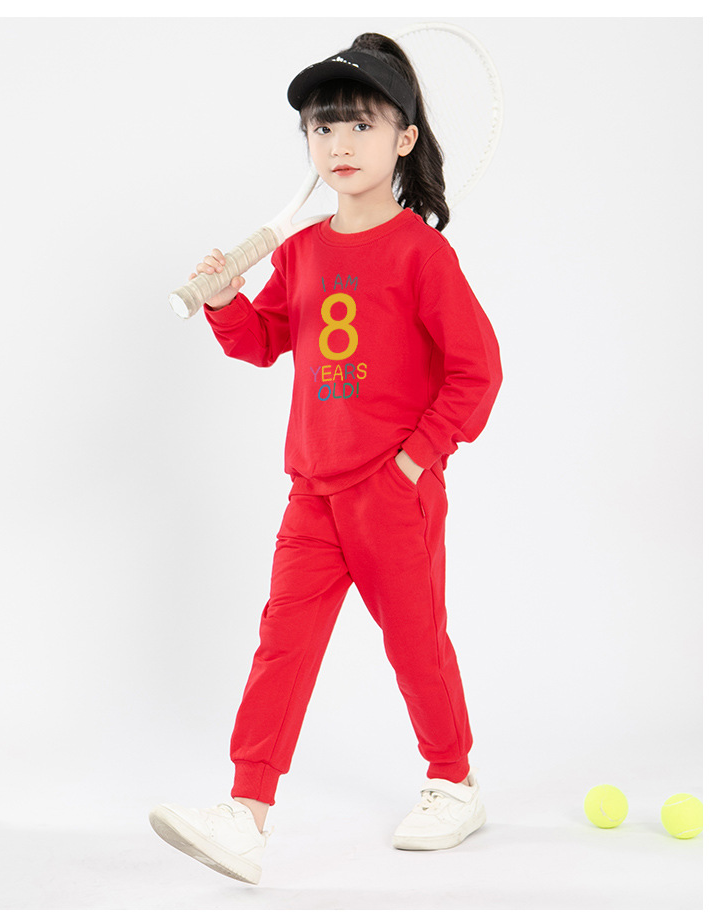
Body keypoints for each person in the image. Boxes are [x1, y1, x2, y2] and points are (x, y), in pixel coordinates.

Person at [149, 31, 503, 886]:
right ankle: (246, 812)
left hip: (392, 495)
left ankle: (454, 782)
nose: (339, 143)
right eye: (322, 127)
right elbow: (265, 340)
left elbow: (478, 370)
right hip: (311, 494)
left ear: (405, 139)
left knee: (415, 643)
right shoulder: (302, 250)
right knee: (282, 646)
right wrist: (228, 301)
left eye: (361, 125)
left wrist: (415, 463)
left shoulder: (421, 253)